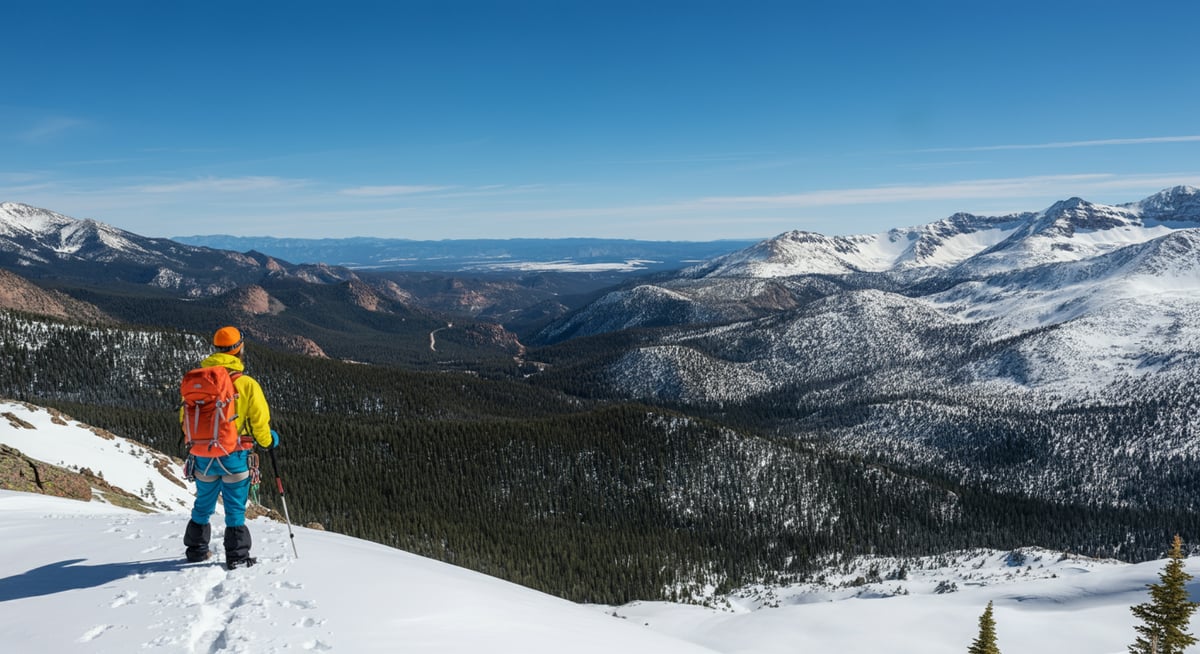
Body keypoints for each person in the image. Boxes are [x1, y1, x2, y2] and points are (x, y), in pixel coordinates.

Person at [182, 325, 279, 569]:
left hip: (203, 455)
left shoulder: (198, 381)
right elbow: (260, 423)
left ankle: (195, 551)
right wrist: (269, 441)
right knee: (235, 508)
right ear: (239, 349)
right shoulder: (246, 384)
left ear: (215, 349)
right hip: (235, 456)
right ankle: (236, 556)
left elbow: (184, 420)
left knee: (202, 504)